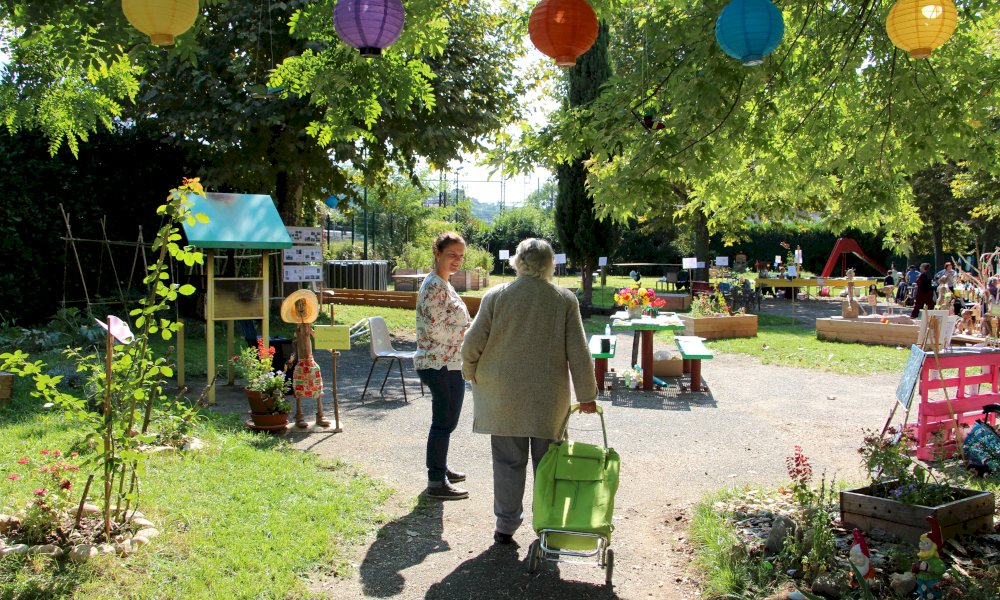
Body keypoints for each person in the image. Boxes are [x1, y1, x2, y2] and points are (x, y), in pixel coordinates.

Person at [462, 238, 598, 545]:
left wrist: (470, 372)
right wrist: (586, 395)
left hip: (503, 397)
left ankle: (505, 527)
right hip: (547, 400)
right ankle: (548, 525)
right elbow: (579, 352)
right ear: (551, 264)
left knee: (507, 462)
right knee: (548, 465)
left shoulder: (496, 296)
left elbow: (472, 343)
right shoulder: (563, 300)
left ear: (517, 262)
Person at [415, 232, 471, 500]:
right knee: (443, 423)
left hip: (447, 363)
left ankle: (440, 468)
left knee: (446, 422)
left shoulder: (443, 283)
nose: (457, 260)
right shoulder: (435, 286)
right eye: (452, 255)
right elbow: (437, 330)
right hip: (439, 364)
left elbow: (451, 321)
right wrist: (469, 333)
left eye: (460, 256)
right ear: (438, 252)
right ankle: (436, 481)